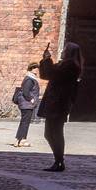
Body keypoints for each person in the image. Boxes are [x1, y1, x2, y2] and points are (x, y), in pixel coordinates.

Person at [37, 42, 83, 173]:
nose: (62, 51)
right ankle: (58, 160)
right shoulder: (64, 64)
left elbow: (52, 73)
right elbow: (46, 74)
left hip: (59, 103)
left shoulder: (71, 66)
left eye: (65, 49)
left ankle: (59, 161)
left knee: (55, 132)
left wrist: (47, 60)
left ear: (69, 52)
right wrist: (46, 60)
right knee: (49, 133)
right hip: (55, 103)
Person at [12, 63, 41, 146]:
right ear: (30, 69)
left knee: (24, 122)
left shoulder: (31, 78)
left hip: (26, 104)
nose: (37, 70)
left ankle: (19, 139)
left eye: (37, 68)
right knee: (25, 122)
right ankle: (21, 140)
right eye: (35, 68)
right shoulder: (29, 79)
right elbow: (26, 92)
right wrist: (31, 99)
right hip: (26, 104)